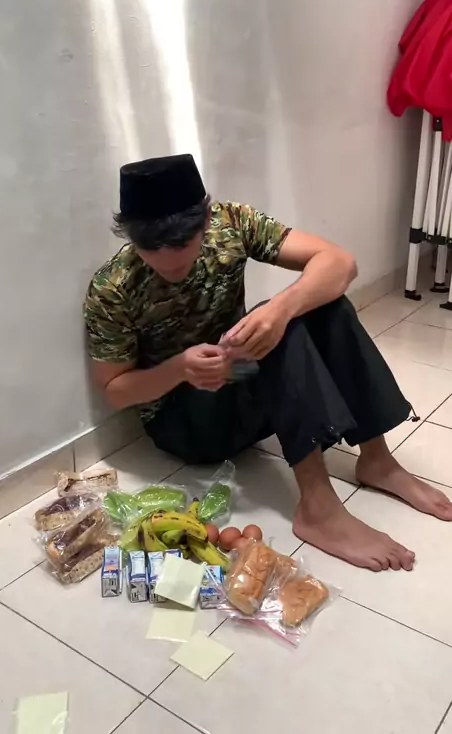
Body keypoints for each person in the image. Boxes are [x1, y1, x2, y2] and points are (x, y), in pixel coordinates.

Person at [84, 154, 452, 572]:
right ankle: (318, 509)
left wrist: (281, 309)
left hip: (239, 382)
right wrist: (180, 368)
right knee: (271, 330)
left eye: (183, 248)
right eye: (150, 250)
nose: (168, 262)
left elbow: (340, 263)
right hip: (185, 421)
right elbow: (114, 391)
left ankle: (377, 460)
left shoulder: (230, 224)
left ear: (205, 223)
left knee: (317, 306)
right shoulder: (113, 287)